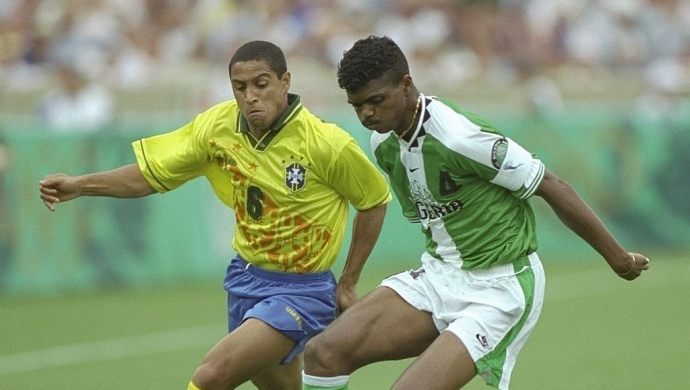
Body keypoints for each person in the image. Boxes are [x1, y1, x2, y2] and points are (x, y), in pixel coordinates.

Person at [302, 35, 650, 390]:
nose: (367, 115)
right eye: (357, 106)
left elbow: (551, 186)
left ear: (406, 85)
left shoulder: (459, 136)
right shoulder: (384, 144)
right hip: (440, 276)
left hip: (500, 287)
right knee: (322, 353)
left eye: (375, 101)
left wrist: (617, 258)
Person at [39, 40, 391, 390]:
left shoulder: (326, 142)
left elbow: (374, 199)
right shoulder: (217, 127)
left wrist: (347, 281)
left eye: (261, 84)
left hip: (302, 291)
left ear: (286, 81)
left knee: (211, 376)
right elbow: (150, 175)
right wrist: (81, 185)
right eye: (240, 87)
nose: (250, 95)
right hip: (245, 278)